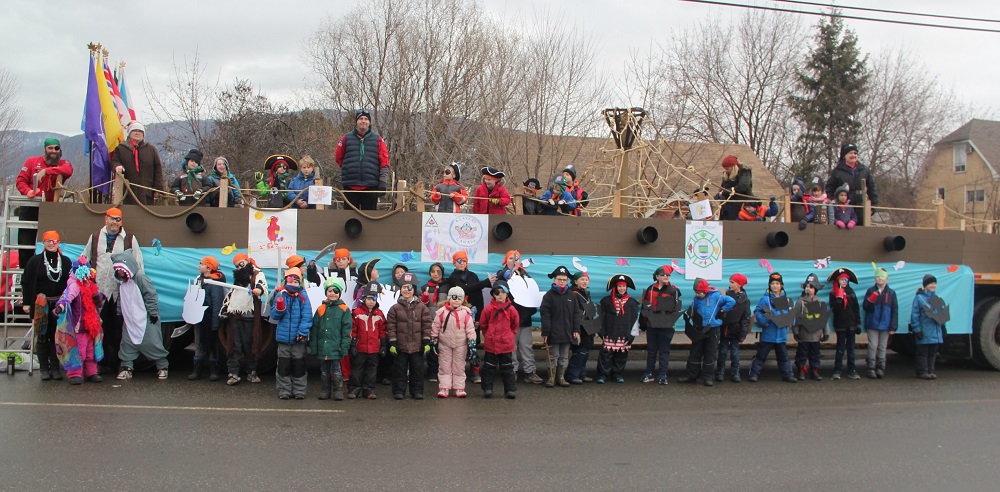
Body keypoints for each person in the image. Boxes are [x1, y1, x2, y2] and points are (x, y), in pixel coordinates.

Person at [82, 207, 143, 372]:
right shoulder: (95, 238)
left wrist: (139, 288)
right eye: (112, 218)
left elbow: (138, 263)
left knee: (119, 329)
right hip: (99, 292)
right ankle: (99, 363)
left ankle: (118, 363)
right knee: (98, 327)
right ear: (106, 219)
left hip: (120, 292)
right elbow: (84, 260)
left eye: (118, 219)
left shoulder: (129, 239)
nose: (115, 222)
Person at [20, 230, 72, 381]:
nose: (51, 243)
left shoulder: (66, 261)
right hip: (40, 305)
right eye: (48, 240)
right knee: (42, 336)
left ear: (59, 243)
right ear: (43, 242)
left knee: (56, 336)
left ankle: (55, 368)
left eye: (54, 240)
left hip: (58, 305)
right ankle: (44, 368)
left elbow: (71, 283)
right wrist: (26, 303)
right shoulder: (34, 262)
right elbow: (26, 282)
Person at [111, 250, 168, 380]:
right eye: (117, 270)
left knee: (152, 343)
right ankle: (126, 367)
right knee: (127, 344)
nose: (119, 272)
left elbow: (151, 295)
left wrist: (153, 313)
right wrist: (119, 314)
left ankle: (162, 366)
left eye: (121, 269)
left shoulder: (141, 279)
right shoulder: (121, 282)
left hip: (145, 318)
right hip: (129, 320)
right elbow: (121, 298)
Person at [16, 138, 73, 268]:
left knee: (49, 243)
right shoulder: (31, 161)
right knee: (26, 244)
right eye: (50, 148)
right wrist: (28, 191)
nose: (53, 151)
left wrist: (47, 171)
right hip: (30, 206)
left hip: (49, 209)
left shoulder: (63, 163)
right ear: (45, 149)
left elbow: (68, 171)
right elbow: (20, 181)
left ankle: (45, 273)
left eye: (56, 148)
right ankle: (26, 273)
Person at [53, 257, 104, 384]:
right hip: (78, 326)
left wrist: (98, 298)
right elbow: (67, 298)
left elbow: (99, 301)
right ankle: (75, 374)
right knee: (79, 351)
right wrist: (60, 307)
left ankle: (91, 372)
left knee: (91, 351)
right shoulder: (74, 285)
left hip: (91, 326)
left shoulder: (90, 285)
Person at [447, 250, 495, 384]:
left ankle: (475, 371)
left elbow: (478, 296)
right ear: (454, 262)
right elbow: (463, 290)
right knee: (459, 344)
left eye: (464, 260)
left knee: (473, 343)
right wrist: (486, 282)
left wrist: (479, 316)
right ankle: (458, 372)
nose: (462, 263)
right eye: (459, 260)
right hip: (458, 315)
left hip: (473, 314)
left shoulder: (473, 276)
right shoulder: (452, 278)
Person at [220, 253, 268, 386]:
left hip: (250, 316)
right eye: (237, 266)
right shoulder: (238, 280)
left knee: (249, 344)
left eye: (241, 264)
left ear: (247, 261)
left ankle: (251, 372)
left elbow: (261, 284)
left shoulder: (257, 274)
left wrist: (258, 289)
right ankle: (233, 373)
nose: (239, 267)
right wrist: (225, 309)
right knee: (234, 345)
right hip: (235, 316)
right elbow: (231, 295)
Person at [497, 250, 543, 384]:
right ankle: (512, 371)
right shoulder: (503, 276)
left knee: (527, 346)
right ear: (506, 261)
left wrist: (531, 309)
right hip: (509, 320)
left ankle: (530, 372)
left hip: (525, 319)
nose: (514, 260)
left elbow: (532, 293)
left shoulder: (526, 275)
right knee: (511, 347)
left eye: (516, 258)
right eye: (511, 258)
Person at [679, 279, 735, 386]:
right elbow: (693, 310)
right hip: (699, 329)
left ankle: (708, 377)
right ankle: (692, 376)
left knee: (710, 353)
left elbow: (731, 301)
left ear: (705, 290)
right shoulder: (696, 299)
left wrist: (723, 310)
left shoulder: (716, 296)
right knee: (695, 352)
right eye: (696, 292)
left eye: (700, 292)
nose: (698, 294)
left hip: (713, 329)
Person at [386, 273, 432, 400]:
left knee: (417, 370)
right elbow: (391, 327)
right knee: (399, 370)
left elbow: (427, 325)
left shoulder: (422, 308)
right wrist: (393, 343)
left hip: (417, 346)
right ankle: (398, 391)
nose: (406, 290)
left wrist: (426, 341)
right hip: (400, 346)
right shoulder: (394, 308)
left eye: (409, 287)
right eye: (404, 287)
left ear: (414, 290)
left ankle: (417, 391)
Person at [335, 109, 390, 210]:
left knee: (369, 218)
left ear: (369, 122)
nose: (363, 121)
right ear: (356, 121)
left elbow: (384, 161)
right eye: (361, 118)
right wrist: (349, 168)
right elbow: (338, 158)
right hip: (350, 184)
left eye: (366, 119)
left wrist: (383, 181)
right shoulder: (345, 138)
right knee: (349, 219)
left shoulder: (378, 139)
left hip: (371, 185)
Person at [270, 267, 312, 399]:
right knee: (283, 366)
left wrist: (302, 332)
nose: (293, 285)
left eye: (296, 282)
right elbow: (274, 315)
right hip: (283, 339)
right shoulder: (280, 295)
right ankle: (284, 390)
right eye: (290, 281)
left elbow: (307, 316)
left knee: (299, 366)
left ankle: (299, 390)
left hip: (298, 339)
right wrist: (279, 308)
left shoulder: (303, 297)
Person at [748, 272, 797, 383]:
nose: (775, 286)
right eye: (773, 283)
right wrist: (764, 321)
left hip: (781, 334)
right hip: (769, 333)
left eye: (777, 283)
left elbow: (790, 314)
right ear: (769, 285)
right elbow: (757, 312)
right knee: (761, 355)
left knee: (783, 357)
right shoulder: (765, 299)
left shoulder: (785, 300)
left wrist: (791, 322)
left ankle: (788, 375)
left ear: (782, 286)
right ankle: (754, 374)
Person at [310, 277, 352, 401]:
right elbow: (315, 329)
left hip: (336, 347)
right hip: (323, 347)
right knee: (323, 370)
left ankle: (338, 390)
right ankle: (325, 389)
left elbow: (347, 330)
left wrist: (344, 346)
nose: (332, 293)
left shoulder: (344, 309)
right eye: (329, 291)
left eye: (335, 291)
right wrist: (314, 346)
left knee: (337, 370)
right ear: (326, 293)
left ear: (339, 293)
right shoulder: (321, 309)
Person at [430, 286, 476, 398]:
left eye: (459, 298)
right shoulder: (441, 312)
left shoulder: (466, 313)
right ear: (449, 298)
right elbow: (435, 326)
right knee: (444, 366)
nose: (456, 300)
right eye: (454, 297)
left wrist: (472, 343)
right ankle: (444, 387)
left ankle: (459, 387)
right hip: (444, 344)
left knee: (459, 366)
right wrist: (434, 340)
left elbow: (470, 329)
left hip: (460, 344)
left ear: (463, 300)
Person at [640, 265, 682, 385]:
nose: (665, 277)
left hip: (666, 325)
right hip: (652, 324)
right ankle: (649, 372)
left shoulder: (673, 290)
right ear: (657, 276)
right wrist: (643, 323)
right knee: (652, 350)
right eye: (663, 275)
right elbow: (644, 306)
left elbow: (676, 308)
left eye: (668, 275)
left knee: (664, 350)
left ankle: (663, 374)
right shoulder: (650, 289)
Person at [540, 266, 581, 388]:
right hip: (553, 333)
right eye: (559, 279)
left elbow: (576, 314)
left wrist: (576, 330)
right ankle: (551, 377)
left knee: (564, 356)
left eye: (564, 279)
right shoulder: (548, 296)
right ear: (554, 280)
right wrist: (546, 332)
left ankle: (561, 377)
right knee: (553, 356)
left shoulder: (572, 296)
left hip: (568, 332)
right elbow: (545, 315)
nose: (562, 282)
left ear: (567, 280)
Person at [595, 274, 640, 384]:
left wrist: (632, 335)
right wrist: (601, 331)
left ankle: (617, 374)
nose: (622, 289)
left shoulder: (632, 302)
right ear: (615, 287)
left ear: (627, 288)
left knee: (621, 355)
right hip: (609, 332)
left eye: (624, 286)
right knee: (606, 355)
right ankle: (603, 374)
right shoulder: (606, 301)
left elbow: (635, 320)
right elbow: (601, 317)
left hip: (624, 333)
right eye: (619, 286)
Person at [188, 256, 225, 381]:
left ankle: (213, 369)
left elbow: (217, 302)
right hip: (199, 316)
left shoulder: (215, 282)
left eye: (202, 264)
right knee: (199, 342)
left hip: (209, 316)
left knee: (212, 343)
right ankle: (197, 369)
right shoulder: (198, 279)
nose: (199, 266)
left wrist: (216, 322)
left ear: (209, 268)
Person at [479, 280, 519, 398]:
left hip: (506, 345)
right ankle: (487, 388)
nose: (500, 295)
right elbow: (483, 324)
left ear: (507, 294)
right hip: (491, 344)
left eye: (503, 292)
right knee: (488, 368)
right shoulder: (488, 309)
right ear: (493, 294)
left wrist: (509, 335)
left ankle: (510, 390)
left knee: (507, 368)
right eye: (497, 292)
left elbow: (515, 324)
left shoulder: (512, 310)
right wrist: (489, 335)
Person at [348, 282, 387, 399]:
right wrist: (353, 345)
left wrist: (383, 345)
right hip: (360, 348)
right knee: (357, 369)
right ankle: (354, 389)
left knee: (371, 370)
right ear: (363, 299)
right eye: (369, 299)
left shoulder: (379, 314)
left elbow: (382, 331)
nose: (371, 301)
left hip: (374, 348)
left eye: (374, 298)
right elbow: (353, 330)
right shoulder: (357, 313)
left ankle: (368, 389)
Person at [112, 121, 165, 205]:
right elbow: (114, 161)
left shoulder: (151, 149)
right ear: (129, 133)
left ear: (143, 134)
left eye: (140, 131)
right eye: (134, 130)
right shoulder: (121, 148)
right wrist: (117, 166)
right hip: (127, 191)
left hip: (147, 191)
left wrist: (158, 188)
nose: (137, 133)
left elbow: (158, 169)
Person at [825, 143, 878, 226]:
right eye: (850, 153)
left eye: (855, 153)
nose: (853, 155)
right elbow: (829, 189)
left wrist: (874, 205)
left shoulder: (864, 170)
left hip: (861, 207)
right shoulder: (837, 171)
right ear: (845, 155)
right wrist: (834, 205)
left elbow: (872, 188)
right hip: (845, 210)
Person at [862, 267, 898, 379]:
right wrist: (871, 300)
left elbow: (894, 310)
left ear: (887, 279)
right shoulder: (870, 291)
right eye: (877, 276)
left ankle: (880, 367)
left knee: (882, 346)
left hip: (885, 324)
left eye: (882, 277)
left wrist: (893, 326)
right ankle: (871, 368)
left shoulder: (891, 293)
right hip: (872, 323)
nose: (879, 279)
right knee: (873, 345)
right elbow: (865, 307)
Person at [793, 274, 829, 381]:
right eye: (807, 286)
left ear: (816, 289)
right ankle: (801, 370)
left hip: (816, 335)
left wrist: (826, 332)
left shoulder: (820, 303)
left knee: (815, 354)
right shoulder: (800, 302)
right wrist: (795, 331)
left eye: (811, 287)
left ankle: (814, 371)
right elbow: (796, 317)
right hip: (804, 334)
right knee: (802, 353)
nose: (808, 289)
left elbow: (823, 319)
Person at [716, 273, 751, 383]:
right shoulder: (725, 295)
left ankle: (735, 372)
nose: (730, 284)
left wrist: (743, 333)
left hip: (736, 329)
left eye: (732, 282)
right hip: (724, 328)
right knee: (722, 351)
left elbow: (746, 318)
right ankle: (720, 371)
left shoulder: (745, 300)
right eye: (730, 282)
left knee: (735, 352)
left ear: (739, 284)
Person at [911, 275, 946, 380]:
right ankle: (922, 371)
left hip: (935, 331)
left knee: (932, 353)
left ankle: (930, 371)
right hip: (924, 330)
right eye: (931, 283)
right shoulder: (919, 298)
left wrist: (943, 327)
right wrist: (917, 329)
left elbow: (942, 315)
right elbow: (915, 315)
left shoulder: (937, 298)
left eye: (934, 283)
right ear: (925, 285)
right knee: (923, 353)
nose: (933, 285)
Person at [566, 271, 598, 385]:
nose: (585, 282)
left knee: (585, 351)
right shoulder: (573, 293)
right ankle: (572, 375)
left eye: (586, 279)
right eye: (582, 279)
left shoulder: (585, 293)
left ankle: (581, 373)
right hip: (579, 326)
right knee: (579, 351)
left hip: (588, 326)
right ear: (575, 281)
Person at [829, 267, 861, 380]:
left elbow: (856, 308)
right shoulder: (833, 293)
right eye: (841, 279)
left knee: (851, 349)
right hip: (840, 325)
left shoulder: (851, 292)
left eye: (845, 280)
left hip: (851, 325)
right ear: (837, 281)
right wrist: (838, 298)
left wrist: (858, 324)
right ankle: (838, 369)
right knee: (840, 348)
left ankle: (851, 369)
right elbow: (835, 310)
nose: (843, 282)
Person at [715, 154, 753, 221]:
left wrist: (726, 192)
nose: (726, 171)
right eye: (725, 169)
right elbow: (722, 187)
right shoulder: (726, 175)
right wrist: (719, 194)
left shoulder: (744, 172)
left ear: (733, 167)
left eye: (727, 168)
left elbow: (743, 186)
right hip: (727, 205)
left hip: (741, 203)